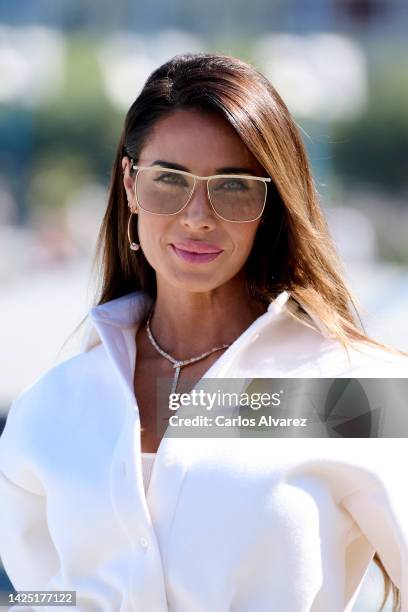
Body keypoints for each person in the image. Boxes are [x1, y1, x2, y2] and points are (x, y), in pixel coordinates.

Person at [0, 52, 407, 612]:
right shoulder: (52, 406)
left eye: (234, 187)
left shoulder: (348, 390)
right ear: (129, 185)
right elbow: (45, 598)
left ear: (271, 206)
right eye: (169, 180)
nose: (197, 215)